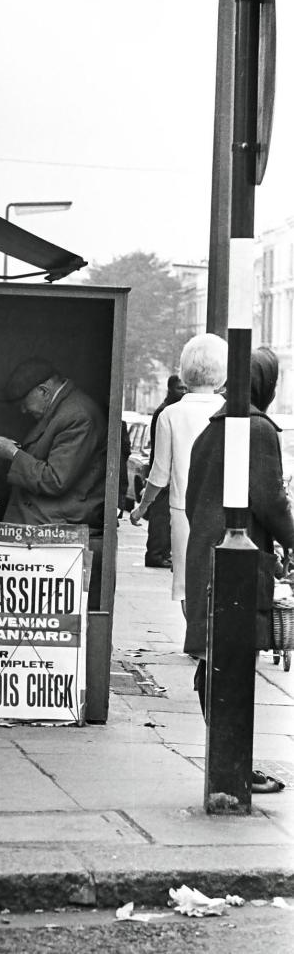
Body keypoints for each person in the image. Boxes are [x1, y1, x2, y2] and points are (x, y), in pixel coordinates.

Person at [184, 347, 294, 793]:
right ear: (264, 385)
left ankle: (229, 761)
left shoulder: (213, 430)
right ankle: (233, 769)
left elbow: (194, 500)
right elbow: (271, 502)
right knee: (232, 661)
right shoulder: (258, 430)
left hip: (205, 557)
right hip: (237, 563)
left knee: (215, 658)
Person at [0, 357, 108, 606]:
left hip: (58, 518)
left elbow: (55, 479)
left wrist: (12, 454)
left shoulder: (77, 415)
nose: (23, 410)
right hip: (47, 512)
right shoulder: (65, 409)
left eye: (24, 403)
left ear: (43, 391)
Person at [130, 333, 228, 612]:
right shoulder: (231, 412)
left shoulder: (170, 414)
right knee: (218, 577)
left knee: (187, 581)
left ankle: (195, 639)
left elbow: (159, 473)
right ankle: (213, 641)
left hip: (183, 508)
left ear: (185, 371)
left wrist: (141, 508)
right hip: (223, 508)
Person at [144, 374, 188, 568]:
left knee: (165, 518)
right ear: (170, 389)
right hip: (164, 475)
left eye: (185, 388)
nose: (183, 392)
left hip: (167, 475)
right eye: (180, 388)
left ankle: (161, 553)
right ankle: (155, 554)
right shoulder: (164, 412)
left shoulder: (170, 411)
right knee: (160, 518)